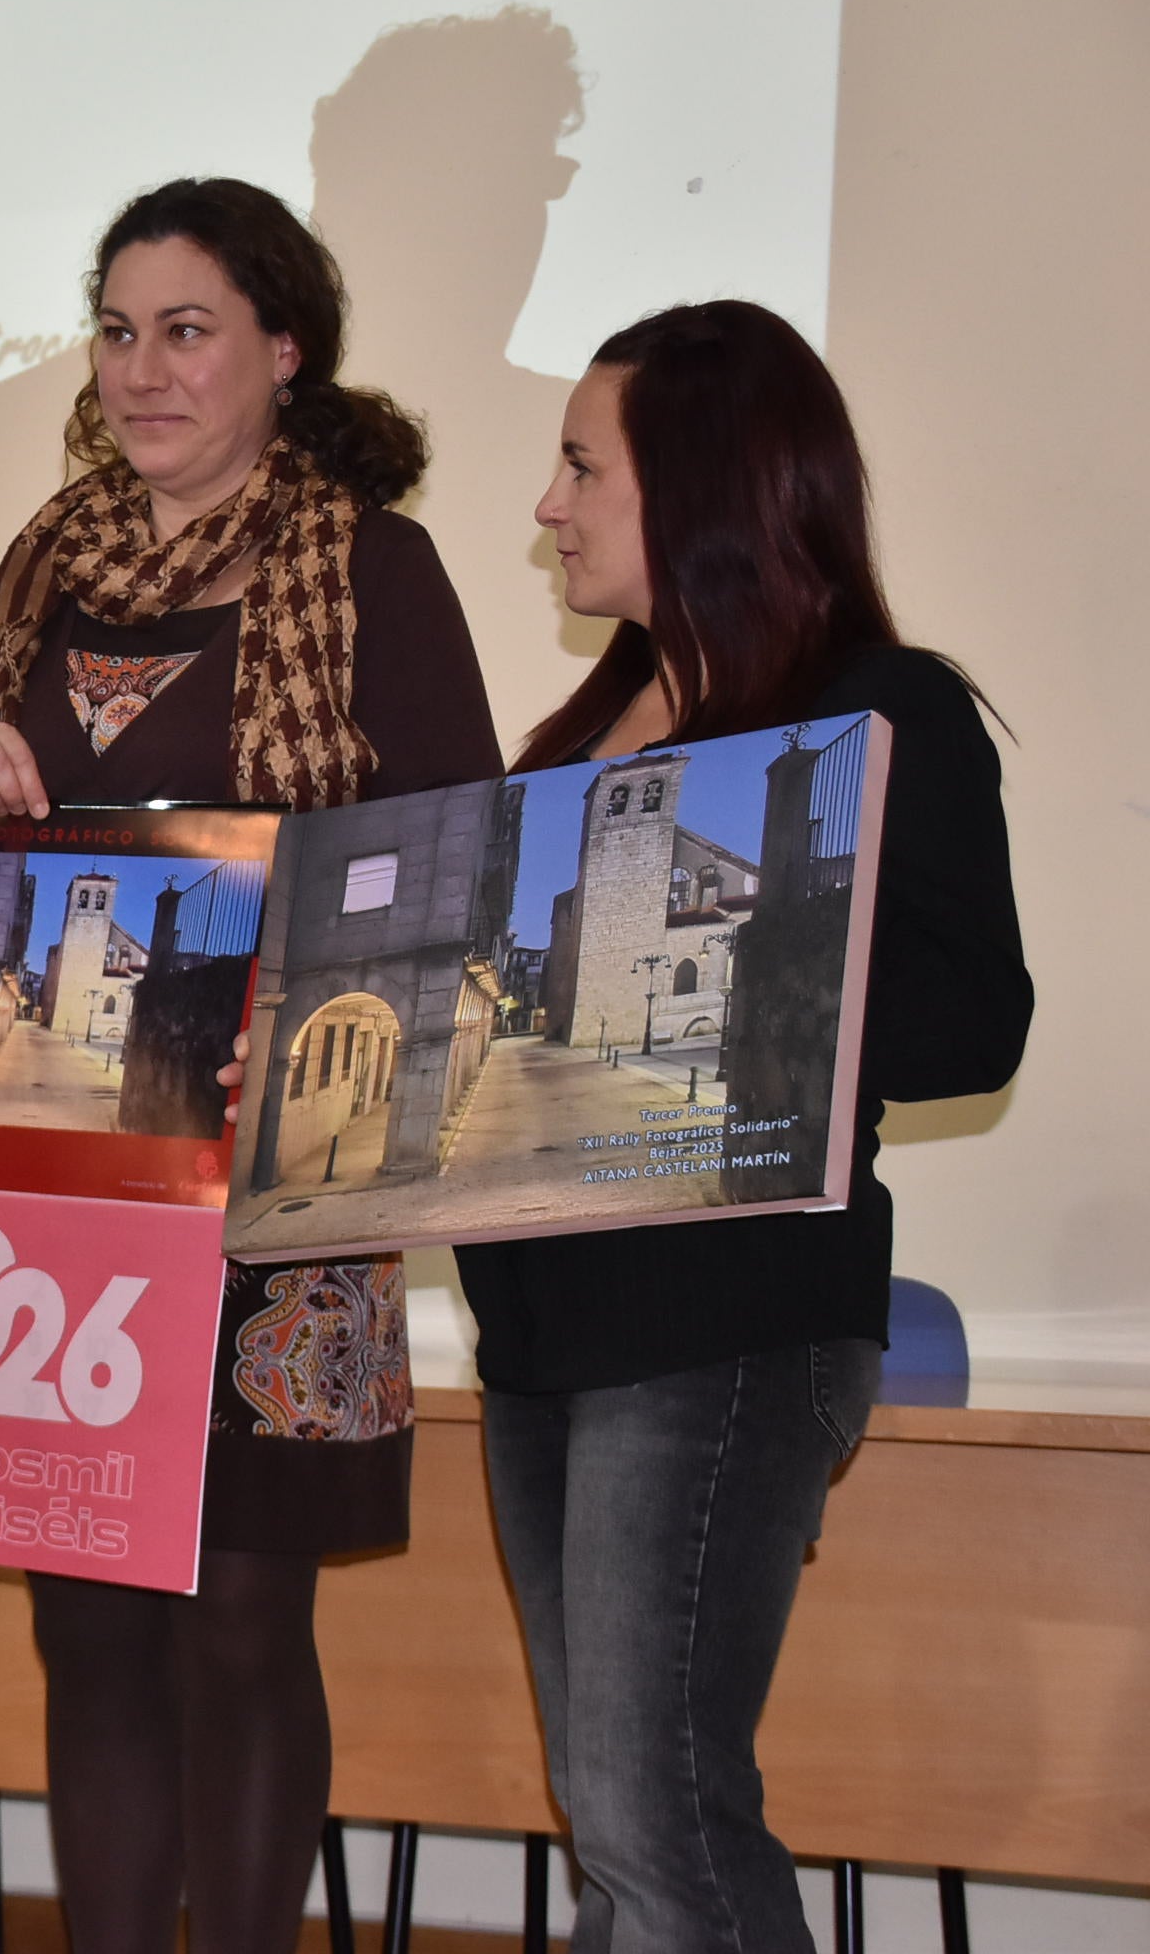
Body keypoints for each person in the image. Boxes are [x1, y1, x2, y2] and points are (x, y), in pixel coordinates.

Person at [0, 177, 499, 1954]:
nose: (144, 369)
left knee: (244, 1616)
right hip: (59, 1177)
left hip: (279, 1174)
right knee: (87, 1618)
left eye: (187, 330)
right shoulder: (40, 563)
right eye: (117, 330)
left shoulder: (369, 566)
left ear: (281, 350)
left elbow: (462, 866)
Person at [456, 301, 1031, 1953]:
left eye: (581, 464)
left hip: (723, 1331)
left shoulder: (876, 708)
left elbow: (970, 1023)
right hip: (546, 1330)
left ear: (700, 487)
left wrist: (752, 959)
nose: (548, 506)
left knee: (660, 1811)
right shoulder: (576, 739)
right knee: (613, 1807)